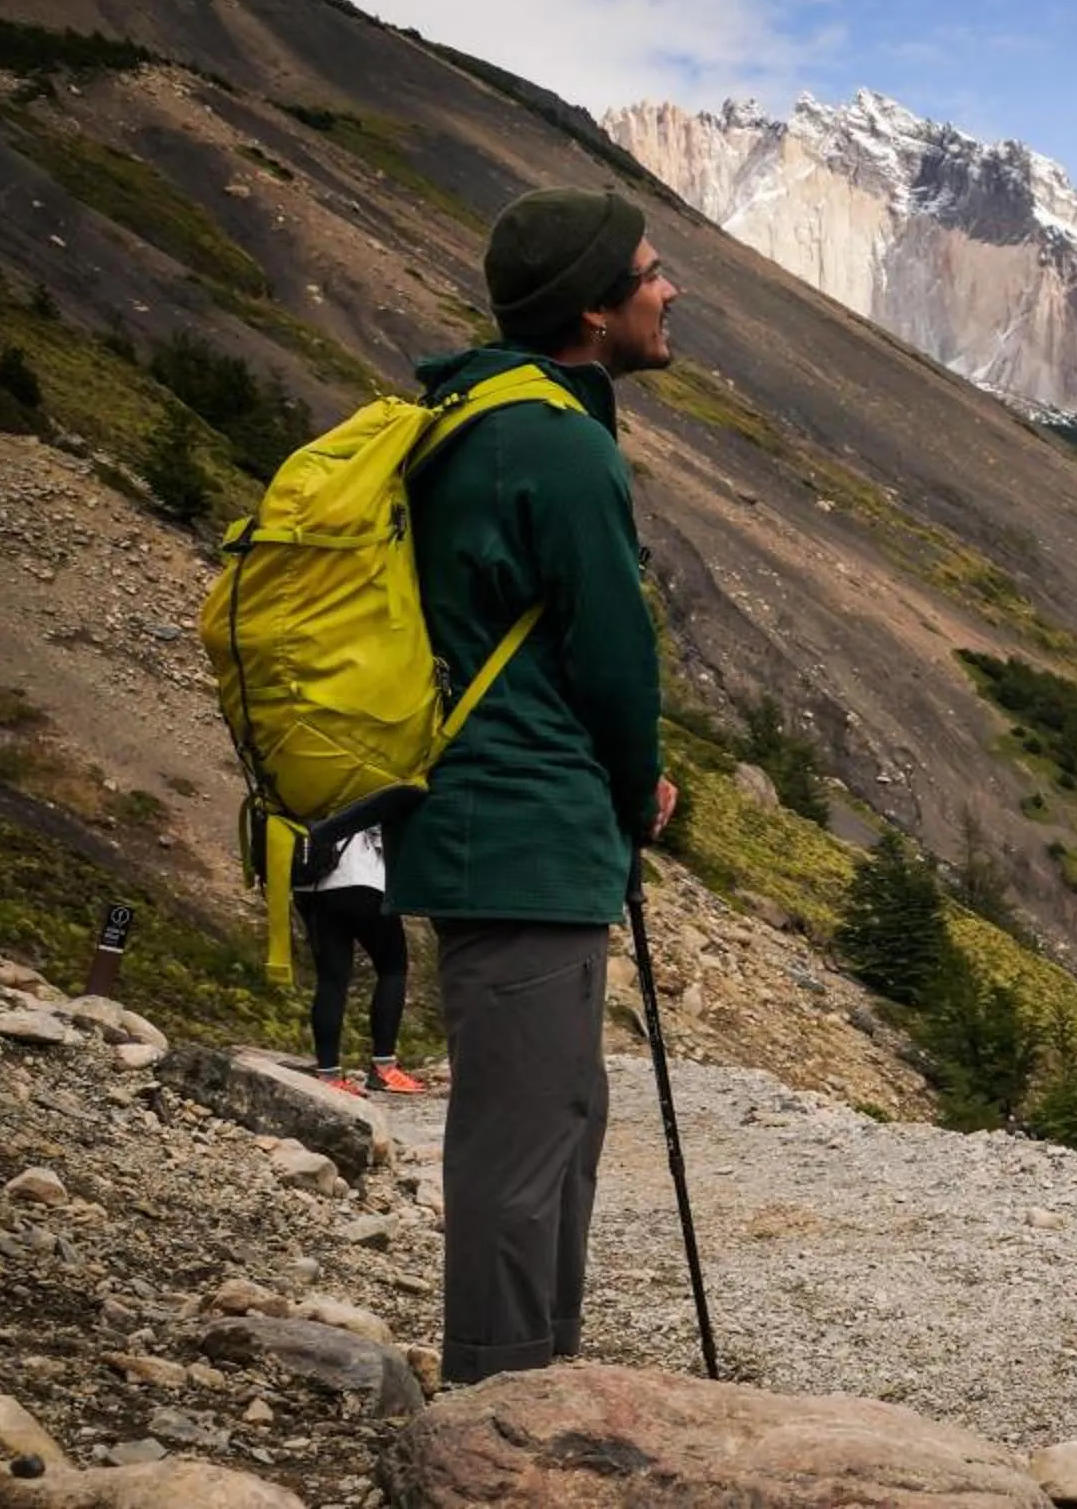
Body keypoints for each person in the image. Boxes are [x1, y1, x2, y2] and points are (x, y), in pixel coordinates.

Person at [389, 186, 681, 1387]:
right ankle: (500, 1400)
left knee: (557, 1113)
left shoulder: (484, 414)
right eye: (650, 274)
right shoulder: (557, 442)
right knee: (524, 1134)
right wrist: (640, 786)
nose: (669, 292)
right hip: (523, 827)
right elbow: (614, 652)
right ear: (593, 310)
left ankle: (536, 1382)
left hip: (499, 823)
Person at [294, 826, 425, 1096]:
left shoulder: (300, 796)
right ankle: (384, 1068)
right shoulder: (350, 794)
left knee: (331, 979)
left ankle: (328, 1074)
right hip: (359, 879)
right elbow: (382, 831)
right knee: (392, 967)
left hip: (309, 882)